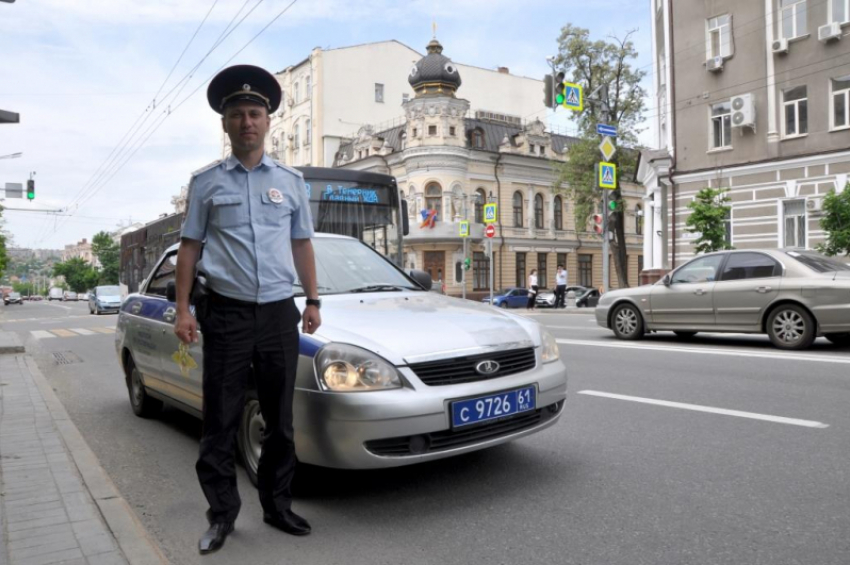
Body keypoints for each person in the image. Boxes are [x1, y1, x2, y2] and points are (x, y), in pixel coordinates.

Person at [173, 64, 322, 555]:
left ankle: (277, 507)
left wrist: (313, 300)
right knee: (220, 420)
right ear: (225, 123)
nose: (247, 122)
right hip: (227, 315)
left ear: (268, 120)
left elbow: (302, 244)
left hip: (279, 313)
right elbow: (190, 249)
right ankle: (221, 516)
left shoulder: (291, 181)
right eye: (237, 114)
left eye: (255, 113)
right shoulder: (207, 183)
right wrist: (182, 310)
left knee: (280, 420)